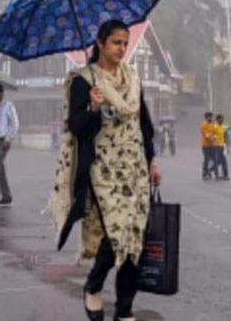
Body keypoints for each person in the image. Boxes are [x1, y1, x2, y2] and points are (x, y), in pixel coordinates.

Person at [51, 20, 160, 321]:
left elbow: (144, 124)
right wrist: (93, 110)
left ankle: (124, 311)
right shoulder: (83, 80)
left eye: (125, 43)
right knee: (115, 237)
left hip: (134, 169)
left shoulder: (133, 77)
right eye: (115, 42)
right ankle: (94, 284)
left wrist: (151, 161)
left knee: (134, 239)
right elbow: (75, 125)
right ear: (99, 43)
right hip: (102, 172)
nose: (121, 49)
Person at [200, 111, 218, 180]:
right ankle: (205, 174)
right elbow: (206, 134)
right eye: (209, 117)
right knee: (206, 159)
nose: (210, 118)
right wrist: (212, 138)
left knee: (215, 159)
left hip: (212, 145)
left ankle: (214, 173)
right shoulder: (203, 125)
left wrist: (215, 139)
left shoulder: (212, 125)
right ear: (206, 118)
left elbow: (214, 133)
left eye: (211, 117)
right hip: (205, 145)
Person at [214, 114, 231, 180]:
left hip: (222, 146)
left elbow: (224, 136)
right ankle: (217, 174)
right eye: (221, 119)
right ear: (217, 119)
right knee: (218, 161)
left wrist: (226, 141)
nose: (222, 120)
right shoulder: (215, 127)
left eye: (223, 119)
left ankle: (225, 175)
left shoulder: (223, 127)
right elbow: (214, 136)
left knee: (222, 161)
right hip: (216, 146)